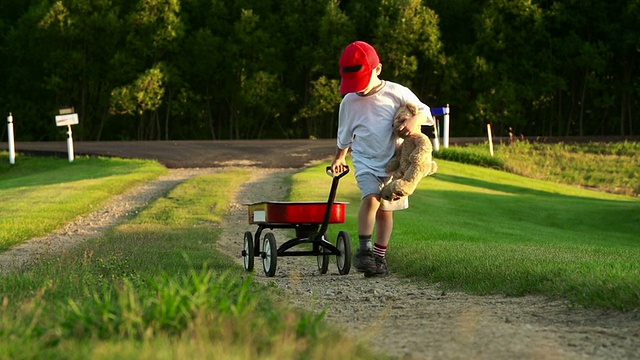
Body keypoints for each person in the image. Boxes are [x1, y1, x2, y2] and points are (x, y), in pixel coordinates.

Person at [330, 40, 434, 277]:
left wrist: (414, 121)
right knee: (372, 199)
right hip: (366, 161)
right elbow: (344, 135)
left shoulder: (397, 93)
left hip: (394, 164)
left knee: (386, 210)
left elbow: (425, 112)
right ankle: (364, 251)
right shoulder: (349, 102)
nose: (358, 89)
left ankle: (379, 258)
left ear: (378, 70)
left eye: (361, 82)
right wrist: (339, 158)